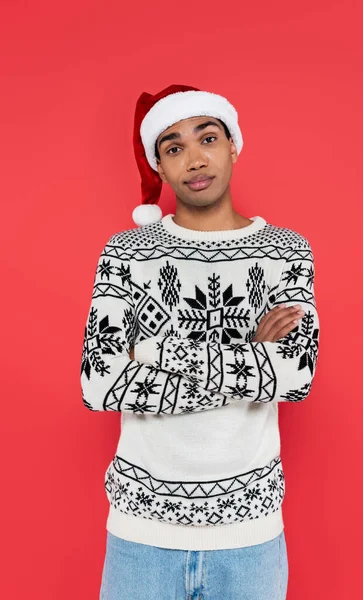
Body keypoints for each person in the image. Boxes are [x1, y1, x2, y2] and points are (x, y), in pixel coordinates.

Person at [80, 83, 320, 600]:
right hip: (140, 534)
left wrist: (148, 350)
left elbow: (295, 378)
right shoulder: (127, 253)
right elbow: (98, 385)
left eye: (207, 138)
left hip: (250, 534)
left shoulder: (285, 251)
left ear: (233, 144)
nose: (194, 158)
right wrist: (249, 359)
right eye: (173, 147)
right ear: (160, 167)